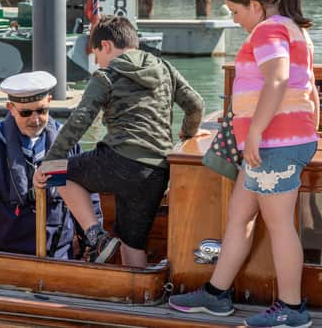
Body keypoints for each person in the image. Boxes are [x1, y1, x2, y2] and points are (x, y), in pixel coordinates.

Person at [169, 0, 320, 328]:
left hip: (272, 145)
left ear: (255, 5)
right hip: (280, 143)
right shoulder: (294, 29)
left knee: (280, 224)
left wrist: (254, 134)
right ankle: (216, 294)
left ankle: (291, 308)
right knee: (240, 215)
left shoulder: (268, 30)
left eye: (235, 12)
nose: (235, 21)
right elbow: (310, 88)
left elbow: (279, 78)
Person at [33, 16, 205, 267]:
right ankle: (139, 300)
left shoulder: (108, 74)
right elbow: (196, 105)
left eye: (95, 54)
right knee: (132, 243)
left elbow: (80, 120)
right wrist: (188, 133)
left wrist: (48, 163)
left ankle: (97, 237)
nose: (97, 61)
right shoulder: (165, 68)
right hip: (157, 171)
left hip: (119, 161)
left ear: (106, 46)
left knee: (58, 173)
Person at [0, 71, 103, 259]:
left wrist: (91, 245)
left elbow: (89, 196)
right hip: (4, 254)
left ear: (49, 101)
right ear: (10, 107)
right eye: (26, 113)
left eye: (41, 111)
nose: (35, 120)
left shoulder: (66, 142)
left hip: (57, 254)